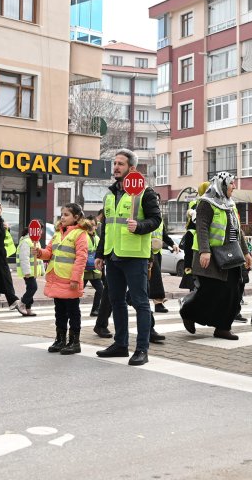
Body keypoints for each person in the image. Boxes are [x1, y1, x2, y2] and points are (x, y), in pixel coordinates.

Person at [94, 149, 162, 366]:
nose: (116, 167)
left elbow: (156, 220)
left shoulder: (145, 193)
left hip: (135, 257)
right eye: (114, 163)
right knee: (116, 301)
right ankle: (121, 344)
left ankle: (142, 349)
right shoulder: (110, 195)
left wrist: (140, 226)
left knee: (141, 303)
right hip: (113, 257)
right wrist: (100, 254)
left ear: (132, 168)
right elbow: (106, 227)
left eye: (120, 164)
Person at [180, 172, 252, 340]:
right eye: (232, 183)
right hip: (210, 257)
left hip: (230, 255)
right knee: (210, 292)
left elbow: (237, 230)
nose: (234, 187)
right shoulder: (206, 203)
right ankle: (188, 312)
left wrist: (246, 252)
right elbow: (202, 227)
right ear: (223, 185)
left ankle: (223, 327)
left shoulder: (231, 204)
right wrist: (205, 251)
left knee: (233, 292)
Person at [37, 204, 92, 355]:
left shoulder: (80, 234)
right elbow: (49, 252)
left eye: (66, 214)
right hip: (56, 278)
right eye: (62, 214)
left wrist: (75, 279)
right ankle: (60, 339)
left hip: (69, 280)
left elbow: (81, 258)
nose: (62, 217)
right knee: (59, 310)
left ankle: (74, 342)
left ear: (76, 217)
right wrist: (39, 253)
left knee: (73, 311)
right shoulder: (57, 233)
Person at [149, 223, 177, 313]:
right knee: (154, 278)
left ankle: (158, 303)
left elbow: (164, 235)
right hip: (147, 251)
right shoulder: (147, 215)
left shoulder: (159, 220)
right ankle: (158, 302)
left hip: (157, 252)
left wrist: (173, 244)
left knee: (152, 278)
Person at [16, 220, 42, 317]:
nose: (40, 232)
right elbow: (24, 258)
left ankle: (28, 308)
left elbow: (39, 257)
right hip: (28, 271)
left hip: (33, 271)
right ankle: (21, 303)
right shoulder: (26, 242)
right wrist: (26, 271)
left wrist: (41, 270)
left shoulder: (35, 241)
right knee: (33, 288)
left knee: (30, 288)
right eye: (40, 230)